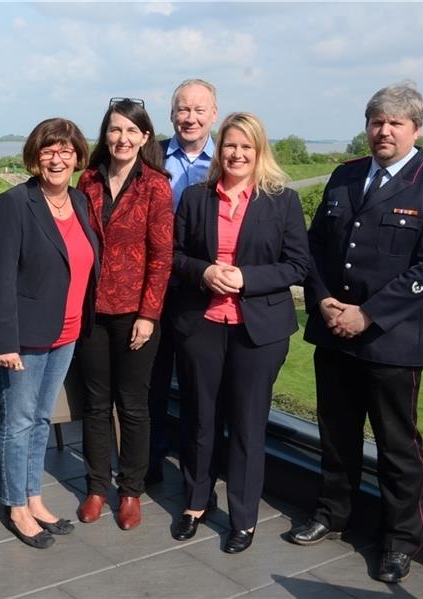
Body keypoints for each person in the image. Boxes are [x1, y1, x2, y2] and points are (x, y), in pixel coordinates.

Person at [288, 81, 423, 583]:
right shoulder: (345, 177)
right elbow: (315, 249)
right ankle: (331, 513)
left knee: (396, 447)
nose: (383, 131)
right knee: (336, 433)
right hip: (332, 332)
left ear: (415, 128)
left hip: (391, 341)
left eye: (395, 123)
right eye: (376, 122)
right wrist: (324, 300)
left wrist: (367, 314)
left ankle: (400, 541)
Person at [170, 112, 309, 553]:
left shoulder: (281, 201)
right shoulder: (195, 198)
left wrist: (246, 278)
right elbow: (173, 256)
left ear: (259, 152)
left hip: (259, 330)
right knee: (199, 418)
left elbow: (297, 266)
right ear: (219, 148)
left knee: (248, 426)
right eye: (230, 145)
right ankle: (196, 502)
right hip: (202, 324)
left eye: (246, 146)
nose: (237, 153)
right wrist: (205, 271)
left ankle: (244, 519)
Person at [0, 118, 98, 548]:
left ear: (77, 157)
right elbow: (0, 276)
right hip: (27, 336)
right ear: (35, 156)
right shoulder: (17, 203)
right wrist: (6, 341)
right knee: (17, 422)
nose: (57, 158)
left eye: (66, 151)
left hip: (67, 332)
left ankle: (34, 497)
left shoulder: (80, 201)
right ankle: (16, 505)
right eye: (49, 150)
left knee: (39, 418)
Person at [76, 98, 174, 530]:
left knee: (133, 406)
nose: (122, 138)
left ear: (144, 138)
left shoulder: (155, 185)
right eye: (115, 130)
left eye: (131, 131)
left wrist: (149, 314)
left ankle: (130, 491)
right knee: (96, 406)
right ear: (106, 134)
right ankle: (97, 487)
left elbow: (162, 257)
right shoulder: (88, 181)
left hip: (137, 314)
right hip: (91, 312)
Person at [147, 79, 219, 484]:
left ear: (214, 114)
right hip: (155, 290)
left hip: (202, 293)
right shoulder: (150, 154)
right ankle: (150, 465)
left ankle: (199, 477)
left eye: (198, 110)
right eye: (182, 109)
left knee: (198, 390)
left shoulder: (228, 159)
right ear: (171, 113)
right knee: (151, 385)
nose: (189, 118)